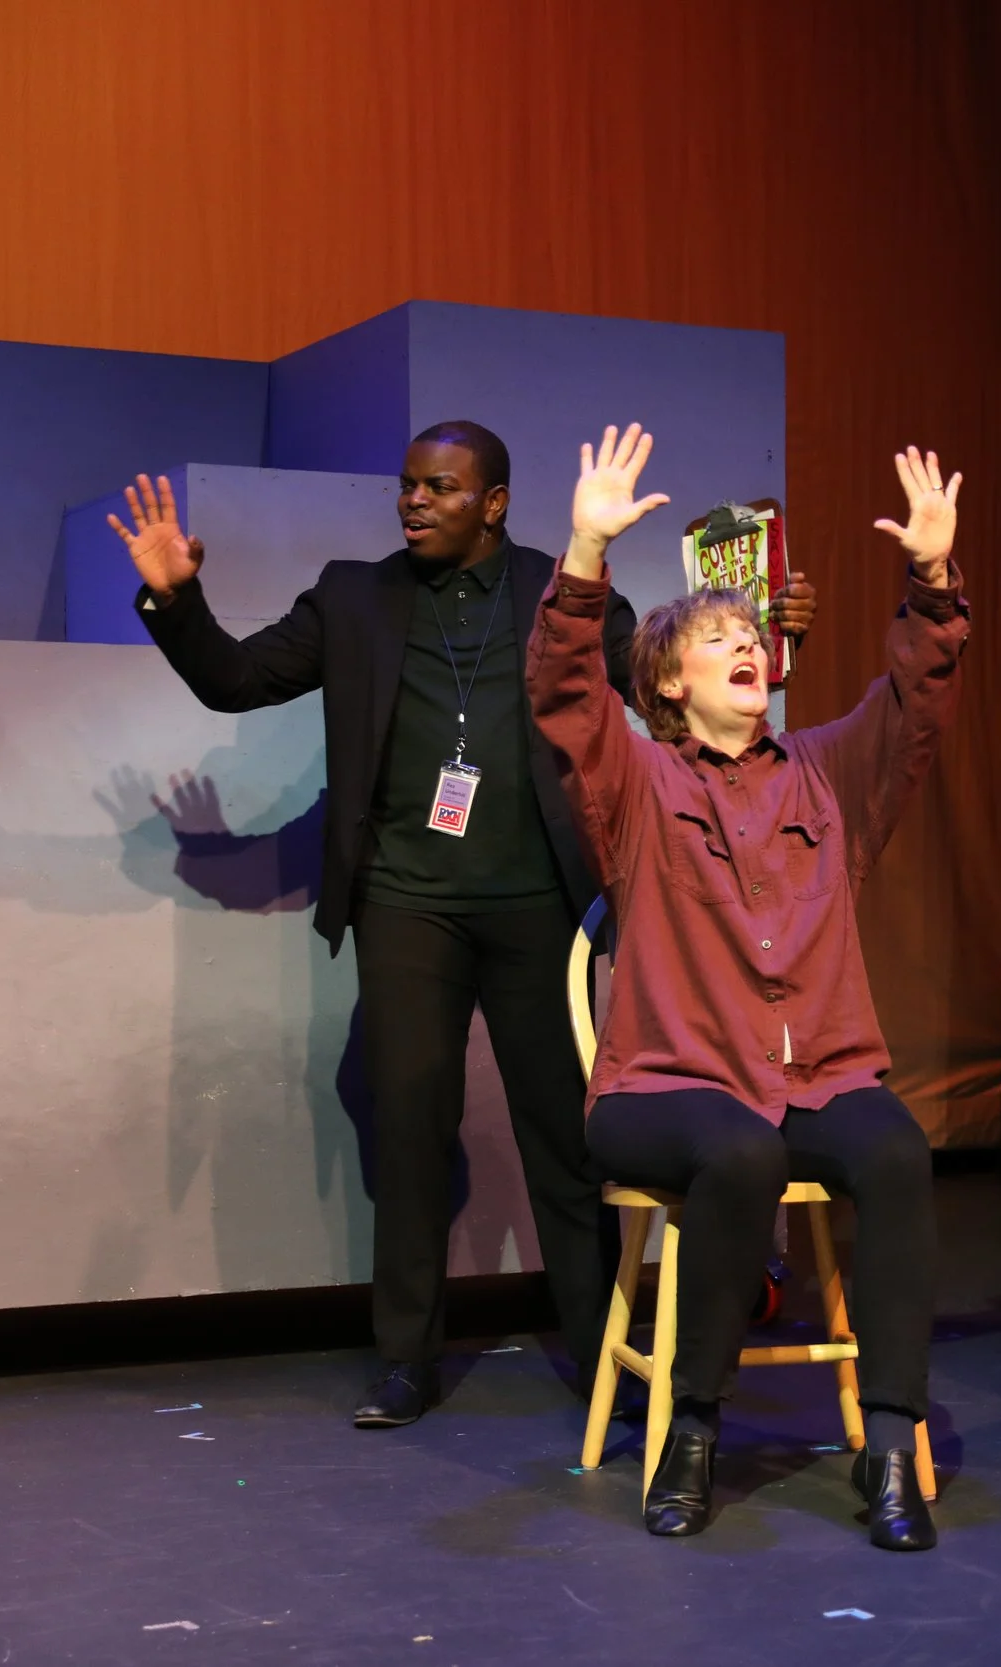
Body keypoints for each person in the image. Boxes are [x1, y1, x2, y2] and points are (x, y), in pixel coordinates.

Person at [108, 424, 817, 1427]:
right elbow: (235, 678)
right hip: (406, 905)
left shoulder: (559, 591)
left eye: (439, 488)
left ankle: (597, 1349)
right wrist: (175, 598)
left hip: (537, 905)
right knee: (408, 1135)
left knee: (567, 1145)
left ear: (494, 502)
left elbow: (667, 692)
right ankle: (405, 1359)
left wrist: (769, 640)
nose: (413, 502)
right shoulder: (354, 596)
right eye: (407, 486)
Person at [528, 424, 969, 1550]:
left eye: (750, 636)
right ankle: (692, 1428)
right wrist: (585, 549)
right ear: (669, 683)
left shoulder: (825, 771)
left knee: (894, 1149)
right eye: (715, 638)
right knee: (738, 1149)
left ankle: (888, 1444)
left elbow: (920, 700)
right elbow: (565, 694)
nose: (744, 646)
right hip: (665, 1087)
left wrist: (931, 577)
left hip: (816, 1074)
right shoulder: (635, 780)